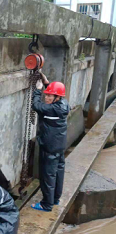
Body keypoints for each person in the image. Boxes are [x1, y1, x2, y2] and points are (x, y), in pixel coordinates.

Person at [31, 73, 70, 212]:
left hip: (49, 146)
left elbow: (36, 105)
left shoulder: (51, 108)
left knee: (48, 175)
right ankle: (55, 199)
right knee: (58, 172)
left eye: (49, 96)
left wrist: (38, 89)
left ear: (57, 98)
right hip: (59, 145)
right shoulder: (63, 104)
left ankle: (46, 204)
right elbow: (53, 94)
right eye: (46, 95)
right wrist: (47, 84)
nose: (46, 98)